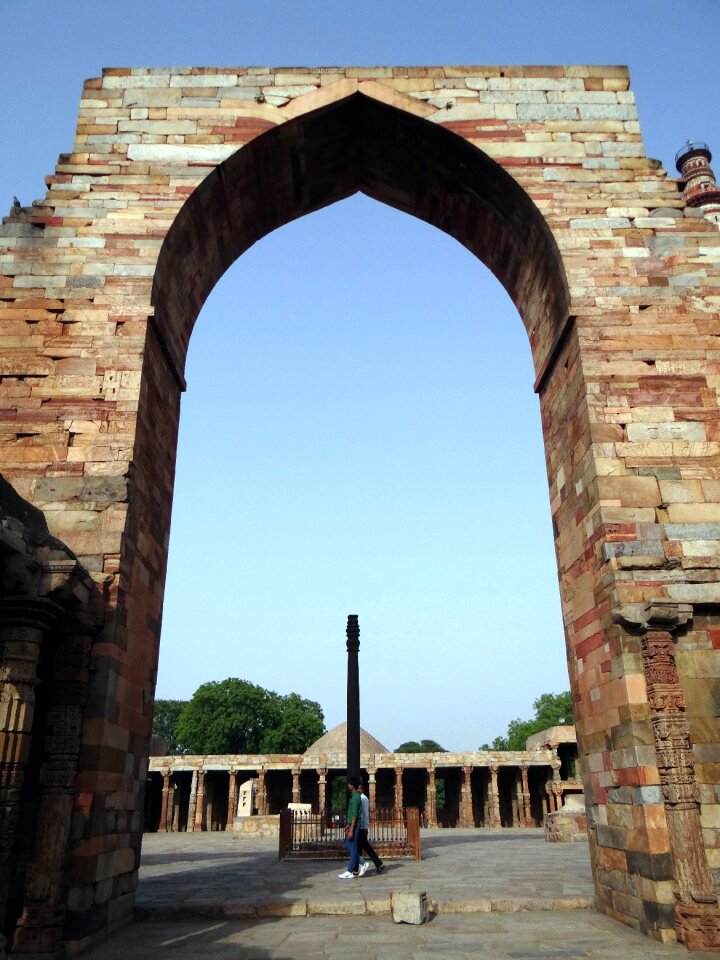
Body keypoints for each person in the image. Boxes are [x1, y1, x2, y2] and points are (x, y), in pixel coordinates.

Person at [338, 776, 367, 879]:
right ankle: (362, 863)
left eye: (349, 784)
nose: (348, 785)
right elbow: (351, 815)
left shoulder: (355, 798)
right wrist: (348, 825)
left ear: (352, 786)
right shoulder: (354, 796)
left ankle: (350, 870)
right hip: (352, 825)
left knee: (353, 847)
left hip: (355, 826)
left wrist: (351, 829)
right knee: (347, 845)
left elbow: (354, 815)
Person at [357, 783, 384, 874]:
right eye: (358, 789)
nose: (359, 790)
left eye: (360, 789)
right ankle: (378, 864)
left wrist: (364, 827)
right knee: (362, 848)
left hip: (362, 827)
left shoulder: (363, 798)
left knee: (361, 848)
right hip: (361, 827)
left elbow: (364, 813)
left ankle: (376, 864)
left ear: (363, 790)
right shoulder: (360, 798)